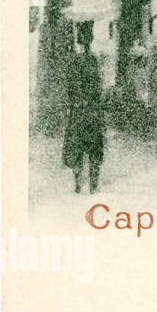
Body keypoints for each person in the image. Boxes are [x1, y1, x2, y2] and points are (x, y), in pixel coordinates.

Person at [62, 26, 105, 194]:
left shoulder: (91, 59)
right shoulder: (77, 60)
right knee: (80, 147)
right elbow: (73, 85)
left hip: (89, 109)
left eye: (88, 39)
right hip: (83, 109)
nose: (87, 43)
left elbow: (96, 84)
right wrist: (81, 100)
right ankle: (80, 185)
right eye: (85, 40)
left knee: (92, 148)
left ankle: (91, 185)